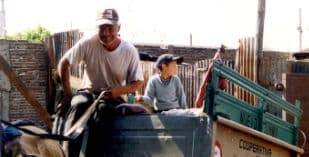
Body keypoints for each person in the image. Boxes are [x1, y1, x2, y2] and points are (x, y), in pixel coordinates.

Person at [57, 8, 144, 157]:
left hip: (112, 97)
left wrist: (116, 92)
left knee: (103, 112)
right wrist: (67, 95)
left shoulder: (129, 51)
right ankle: (66, 154)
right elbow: (64, 63)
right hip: (88, 92)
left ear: (119, 28)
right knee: (78, 104)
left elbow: (138, 82)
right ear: (96, 28)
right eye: (101, 28)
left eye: (110, 28)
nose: (105, 33)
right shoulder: (88, 43)